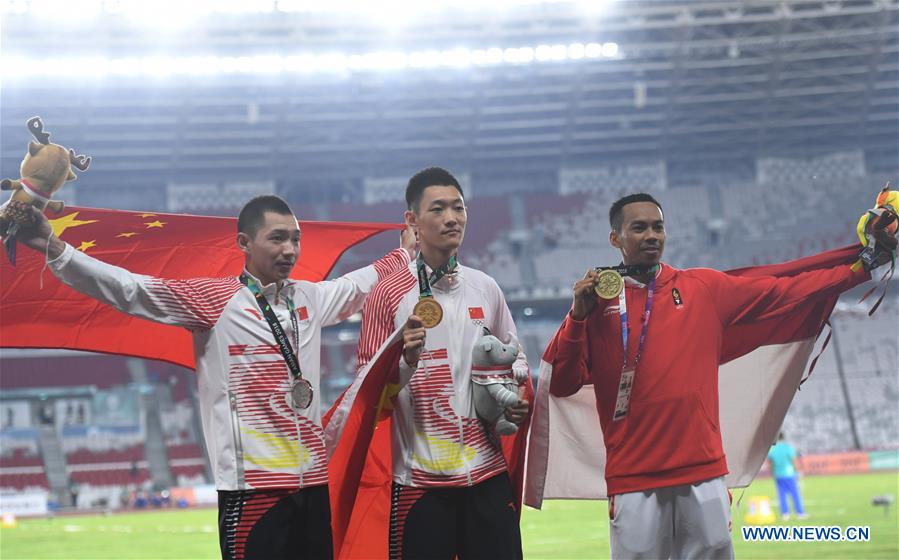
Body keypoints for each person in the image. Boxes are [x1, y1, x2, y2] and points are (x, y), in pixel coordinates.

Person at [15, 195, 416, 560]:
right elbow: (131, 290)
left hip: (313, 486)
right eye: (277, 238)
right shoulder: (213, 301)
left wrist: (405, 253)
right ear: (244, 243)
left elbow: (361, 284)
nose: (290, 250)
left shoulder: (309, 298)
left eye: (295, 239)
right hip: (252, 492)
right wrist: (55, 248)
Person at [548, 193, 887, 559]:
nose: (652, 236)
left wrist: (860, 268)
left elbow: (784, 288)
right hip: (633, 478)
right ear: (615, 238)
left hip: (703, 473)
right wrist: (577, 319)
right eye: (639, 228)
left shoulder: (702, 288)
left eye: (658, 227)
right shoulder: (597, 303)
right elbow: (563, 383)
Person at [355, 167, 530, 559]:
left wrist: (514, 396)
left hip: (486, 477)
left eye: (458, 207)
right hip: (420, 485)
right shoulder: (386, 295)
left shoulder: (485, 287)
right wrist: (403, 362)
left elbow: (516, 355)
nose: (452, 218)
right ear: (412, 221)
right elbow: (365, 398)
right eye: (438, 209)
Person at [768, 432, 807, 520]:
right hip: (789, 474)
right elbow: (793, 461)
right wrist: (799, 471)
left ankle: (785, 514)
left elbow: (770, 464)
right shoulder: (788, 448)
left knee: (782, 495)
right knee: (795, 494)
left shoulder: (773, 449)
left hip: (778, 475)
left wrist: (773, 473)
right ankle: (800, 513)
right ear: (783, 437)